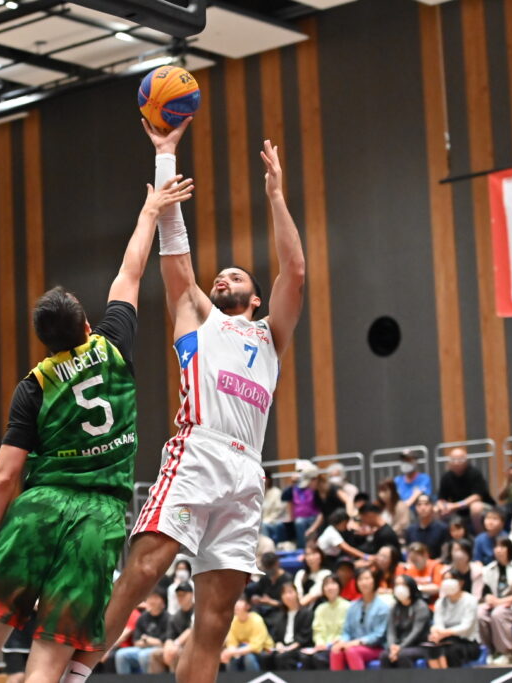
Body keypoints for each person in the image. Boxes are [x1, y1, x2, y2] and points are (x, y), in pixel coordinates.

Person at [65, 120, 306, 683]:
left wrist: (276, 196)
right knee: (145, 568)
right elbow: (175, 254)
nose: (223, 277)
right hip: (198, 451)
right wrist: (165, 155)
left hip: (247, 472)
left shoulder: (270, 335)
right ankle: (74, 674)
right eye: (219, 275)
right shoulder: (196, 314)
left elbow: (295, 271)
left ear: (255, 297)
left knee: (215, 620)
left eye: (236, 276)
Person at [0, 177, 191, 683]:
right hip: (97, 521)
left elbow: (3, 477)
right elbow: (130, 271)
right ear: (86, 326)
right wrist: (150, 211)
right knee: (48, 662)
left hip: (37, 512)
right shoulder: (113, 345)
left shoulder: (33, 386)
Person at [478, 538, 512, 665]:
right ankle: (489, 651)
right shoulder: (489, 568)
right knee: (479, 613)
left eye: (502, 547)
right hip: (495, 603)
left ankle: (507, 652)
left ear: (509, 549)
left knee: (498, 614)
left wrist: (502, 601)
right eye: (496, 547)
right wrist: (489, 598)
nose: (499, 550)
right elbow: (485, 592)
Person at [329, 568, 388, 671]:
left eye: (367, 578)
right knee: (336, 650)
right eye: (360, 579)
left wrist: (357, 642)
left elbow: (379, 635)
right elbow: (346, 631)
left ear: (374, 581)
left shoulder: (383, 607)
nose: (363, 582)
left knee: (352, 651)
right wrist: (343, 642)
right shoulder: (353, 606)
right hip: (352, 645)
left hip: (376, 647)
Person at [424, 571, 480, 669]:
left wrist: (444, 633)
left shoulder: (470, 600)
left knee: (450, 650)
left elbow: (466, 627)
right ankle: (437, 677)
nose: (448, 582)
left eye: (451, 579)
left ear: (461, 582)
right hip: (444, 640)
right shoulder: (440, 602)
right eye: (445, 579)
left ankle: (452, 676)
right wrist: (437, 633)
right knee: (431, 648)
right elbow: (438, 623)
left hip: (466, 642)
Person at [379, 575, 431, 668]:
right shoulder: (395, 607)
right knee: (384, 655)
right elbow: (391, 631)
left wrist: (400, 647)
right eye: (397, 584)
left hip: (419, 645)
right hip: (399, 645)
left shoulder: (421, 606)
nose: (400, 588)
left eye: (403, 584)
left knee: (402, 655)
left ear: (411, 586)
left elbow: (416, 632)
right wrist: (392, 647)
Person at [435, 448, 494, 529]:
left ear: (466, 461)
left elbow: (477, 497)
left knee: (475, 507)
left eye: (460, 460)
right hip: (457, 510)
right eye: (453, 460)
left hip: (482, 507)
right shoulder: (446, 477)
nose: (456, 463)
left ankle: (480, 535)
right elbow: (441, 498)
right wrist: (441, 506)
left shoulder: (475, 473)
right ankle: (444, 535)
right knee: (436, 509)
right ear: (449, 462)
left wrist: (455, 505)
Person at [301, 575, 349, 670]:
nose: (330, 587)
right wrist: (320, 643)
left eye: (333, 583)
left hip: (339, 646)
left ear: (339, 586)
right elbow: (317, 630)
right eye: (326, 585)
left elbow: (348, 631)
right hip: (322, 647)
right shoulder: (320, 608)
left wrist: (335, 642)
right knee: (304, 658)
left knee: (319, 658)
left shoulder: (348, 606)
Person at [114, 591, 168, 674]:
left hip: (158, 649)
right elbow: (136, 641)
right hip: (142, 648)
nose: (152, 601)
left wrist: (146, 640)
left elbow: (163, 642)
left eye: (155, 598)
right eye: (150, 598)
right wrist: (149, 641)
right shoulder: (143, 617)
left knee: (143, 655)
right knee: (121, 654)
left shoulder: (168, 617)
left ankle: (148, 680)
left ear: (163, 601)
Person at [262, 583, 313, 671]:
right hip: (283, 647)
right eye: (284, 593)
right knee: (265, 657)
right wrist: (278, 644)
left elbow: (304, 636)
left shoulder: (306, 613)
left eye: (290, 592)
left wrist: (288, 648)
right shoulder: (280, 616)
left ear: (296, 594)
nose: (287, 596)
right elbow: (276, 636)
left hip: (299, 648)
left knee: (282, 657)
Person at [148, 584, 193, 674]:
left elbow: (192, 630)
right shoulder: (175, 617)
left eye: (183, 595)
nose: (181, 598)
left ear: (191, 595)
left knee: (176, 654)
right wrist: (168, 648)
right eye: (178, 595)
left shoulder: (198, 611)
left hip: (196, 647)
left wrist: (176, 644)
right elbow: (169, 636)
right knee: (156, 655)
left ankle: (177, 680)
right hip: (178, 647)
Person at [220, 598, 273, 672]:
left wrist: (233, 652)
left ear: (247, 606)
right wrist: (228, 653)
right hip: (242, 649)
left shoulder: (256, 620)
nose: (236, 605)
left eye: (240, 602)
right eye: (235, 602)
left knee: (248, 658)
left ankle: (253, 677)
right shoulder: (233, 621)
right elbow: (232, 643)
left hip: (264, 650)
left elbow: (256, 646)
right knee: (231, 658)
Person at [280, 462, 319, 546]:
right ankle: (302, 548)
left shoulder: (313, 486)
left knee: (301, 522)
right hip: (299, 518)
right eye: (298, 472)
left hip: (313, 516)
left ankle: (307, 547)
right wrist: (292, 482)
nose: (300, 474)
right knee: (295, 522)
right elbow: (284, 496)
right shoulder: (294, 488)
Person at [308, 473, 353, 541]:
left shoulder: (333, 489)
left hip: (341, 522)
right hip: (329, 523)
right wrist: (313, 528)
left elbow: (348, 500)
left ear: (316, 480)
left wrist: (351, 519)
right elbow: (323, 513)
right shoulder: (316, 494)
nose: (307, 486)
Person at [406, 494, 449, 559]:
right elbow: (408, 553)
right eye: (419, 504)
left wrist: (433, 564)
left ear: (432, 506)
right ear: (415, 508)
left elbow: (445, 555)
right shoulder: (410, 530)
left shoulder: (442, 529)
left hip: (436, 564)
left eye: (426, 504)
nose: (423, 508)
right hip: (415, 564)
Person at [247, 552, 289, 620]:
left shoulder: (287, 579)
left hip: (279, 611)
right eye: (266, 568)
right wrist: (257, 599)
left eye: (270, 568)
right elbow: (258, 593)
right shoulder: (265, 578)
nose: (269, 570)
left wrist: (270, 602)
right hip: (264, 609)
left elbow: (287, 603)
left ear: (277, 564)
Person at [261, 470, 289, 544]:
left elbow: (278, 511)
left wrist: (267, 520)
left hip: (275, 521)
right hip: (262, 521)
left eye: (264, 478)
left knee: (263, 525)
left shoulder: (276, 492)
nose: (263, 480)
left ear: (269, 479)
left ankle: (267, 547)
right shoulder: (259, 493)